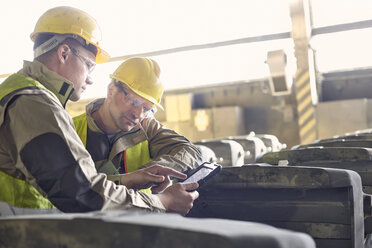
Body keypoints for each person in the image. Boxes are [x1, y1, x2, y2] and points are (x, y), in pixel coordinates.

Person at [0, 6, 199, 216]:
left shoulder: (16, 91)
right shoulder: (34, 102)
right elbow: (82, 192)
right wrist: (162, 201)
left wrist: (127, 179)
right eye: (88, 65)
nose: (90, 78)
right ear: (64, 53)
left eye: (147, 109)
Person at [73, 57, 202, 193]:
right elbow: (68, 186)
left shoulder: (147, 127)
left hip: (138, 213)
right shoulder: (70, 128)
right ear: (111, 90)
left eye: (146, 109)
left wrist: (152, 171)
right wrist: (130, 179)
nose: (138, 114)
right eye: (134, 102)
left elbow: (189, 151)